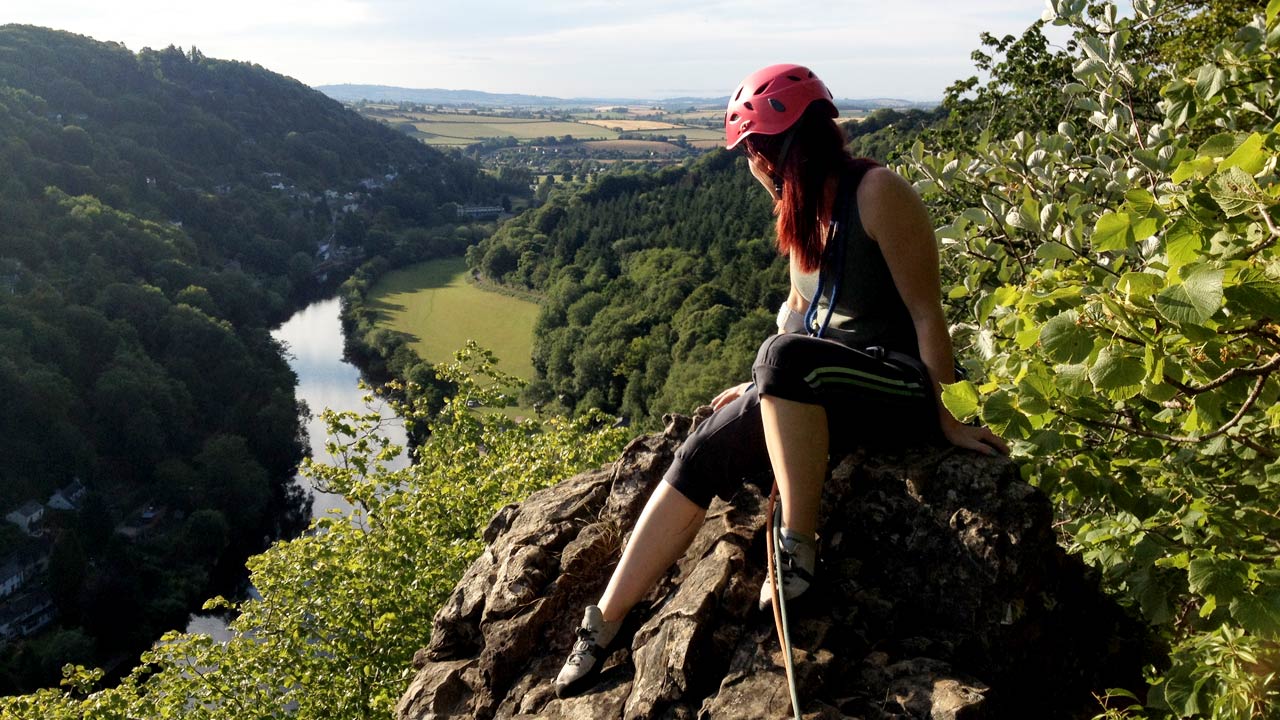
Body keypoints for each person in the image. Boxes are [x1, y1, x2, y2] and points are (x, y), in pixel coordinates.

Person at [554, 63, 1009, 699]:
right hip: (825, 380)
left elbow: (926, 312)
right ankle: (600, 625)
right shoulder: (803, 216)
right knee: (703, 448)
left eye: (751, 154)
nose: (750, 168)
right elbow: (802, 322)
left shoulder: (877, 192)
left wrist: (951, 419)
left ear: (772, 153)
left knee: (781, 358)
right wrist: (762, 390)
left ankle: (798, 544)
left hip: (900, 386)